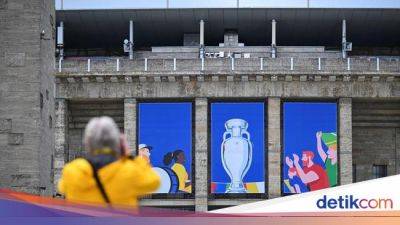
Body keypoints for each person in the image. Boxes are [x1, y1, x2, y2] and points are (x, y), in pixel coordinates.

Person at [57, 116, 160, 207]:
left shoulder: (74, 170)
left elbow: (62, 187)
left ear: (88, 142)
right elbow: (154, 182)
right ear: (118, 143)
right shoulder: (129, 170)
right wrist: (128, 155)